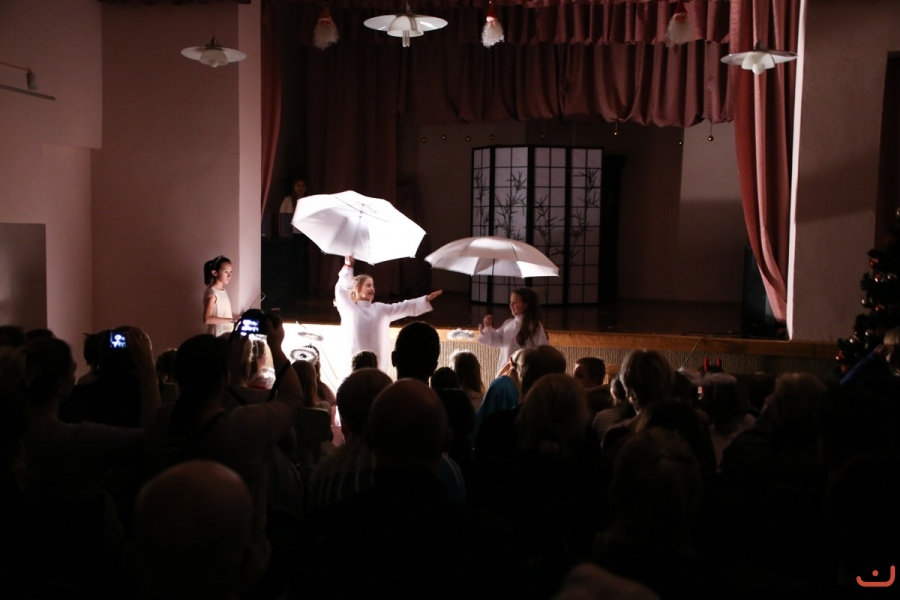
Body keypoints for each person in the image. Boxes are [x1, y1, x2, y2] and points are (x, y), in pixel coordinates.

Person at [334, 255, 442, 378]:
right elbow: (340, 290)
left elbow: (404, 306)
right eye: (368, 285)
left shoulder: (380, 309)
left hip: (377, 365)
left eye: (373, 286)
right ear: (357, 289)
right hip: (354, 365)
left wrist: (425, 299)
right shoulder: (350, 308)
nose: (372, 288)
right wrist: (348, 267)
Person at [477, 287, 549, 376]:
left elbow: (543, 351)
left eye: (515, 302)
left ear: (526, 305)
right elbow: (496, 341)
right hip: (506, 371)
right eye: (510, 302)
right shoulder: (508, 324)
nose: (511, 305)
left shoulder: (535, 326)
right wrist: (488, 326)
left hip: (525, 373)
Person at [203, 255, 236, 337]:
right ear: (215, 273)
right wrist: (231, 320)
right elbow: (207, 319)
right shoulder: (212, 293)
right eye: (226, 272)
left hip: (226, 333)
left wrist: (237, 317)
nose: (229, 275)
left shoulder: (223, 291)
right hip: (217, 335)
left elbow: (223, 314)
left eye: (231, 272)